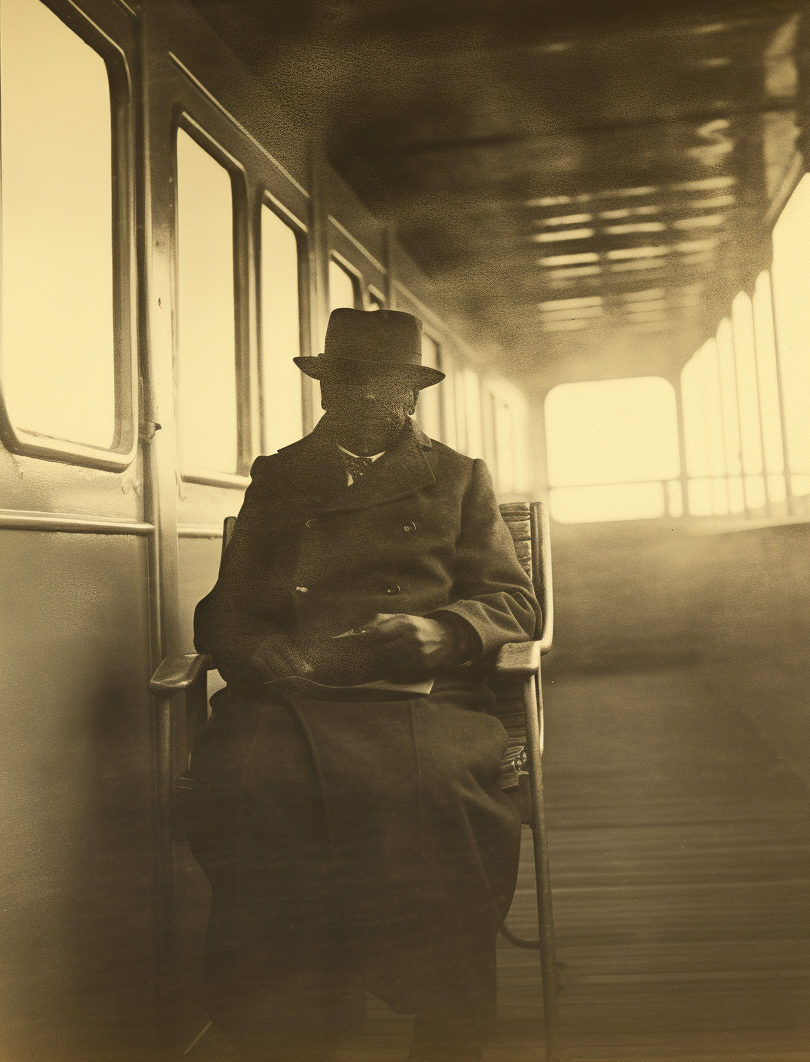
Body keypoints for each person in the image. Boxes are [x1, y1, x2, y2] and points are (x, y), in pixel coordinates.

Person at [188, 308, 539, 1062]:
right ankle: (295, 1024)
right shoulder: (279, 478)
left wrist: (440, 633)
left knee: (441, 791)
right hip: (295, 695)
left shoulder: (457, 476)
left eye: (388, 386)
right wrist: (259, 650)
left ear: (412, 395)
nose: (371, 399)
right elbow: (228, 609)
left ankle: (443, 1026)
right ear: (324, 392)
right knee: (249, 781)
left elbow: (514, 602)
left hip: (428, 696)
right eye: (350, 382)